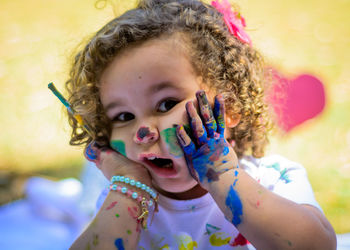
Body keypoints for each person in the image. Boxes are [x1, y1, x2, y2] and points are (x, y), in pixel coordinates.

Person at [65, 0, 336, 249]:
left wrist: (223, 175)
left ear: (229, 107)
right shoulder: (126, 201)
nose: (143, 131)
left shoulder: (274, 179)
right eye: (123, 117)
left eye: (166, 103)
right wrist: (131, 190)